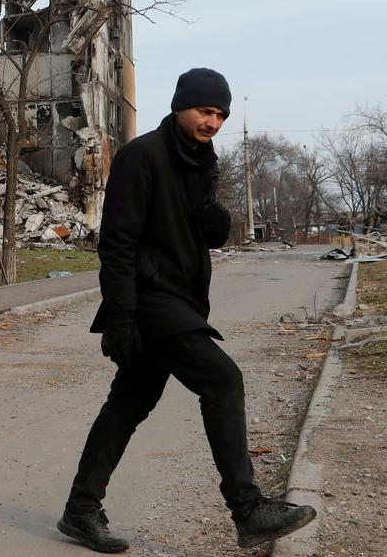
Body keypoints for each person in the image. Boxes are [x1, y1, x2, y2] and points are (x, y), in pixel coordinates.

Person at [57, 68, 316, 553]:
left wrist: (215, 218)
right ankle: (248, 509)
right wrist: (120, 318)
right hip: (150, 298)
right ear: (180, 106)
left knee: (128, 404)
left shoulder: (200, 160)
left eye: (220, 114)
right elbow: (117, 244)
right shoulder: (142, 156)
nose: (212, 122)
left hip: (179, 296)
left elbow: (200, 229)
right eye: (205, 110)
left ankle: (80, 510)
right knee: (222, 379)